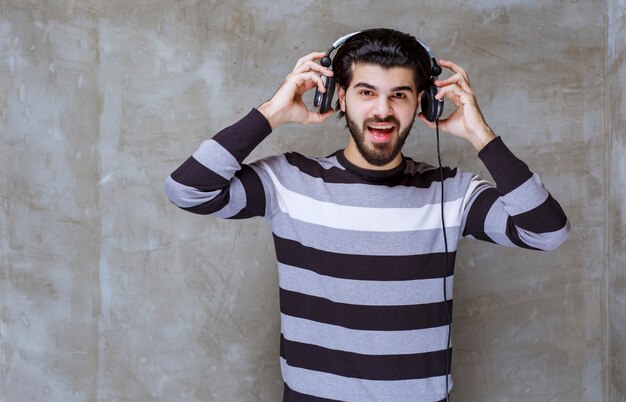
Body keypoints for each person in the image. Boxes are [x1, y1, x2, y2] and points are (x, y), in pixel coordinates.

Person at [164, 28, 570, 402]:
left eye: (399, 95)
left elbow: (547, 232)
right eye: (366, 92)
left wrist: (481, 135)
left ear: (423, 103)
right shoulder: (288, 182)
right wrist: (272, 111)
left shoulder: (453, 192)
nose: (382, 111)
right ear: (338, 96)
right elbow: (187, 190)